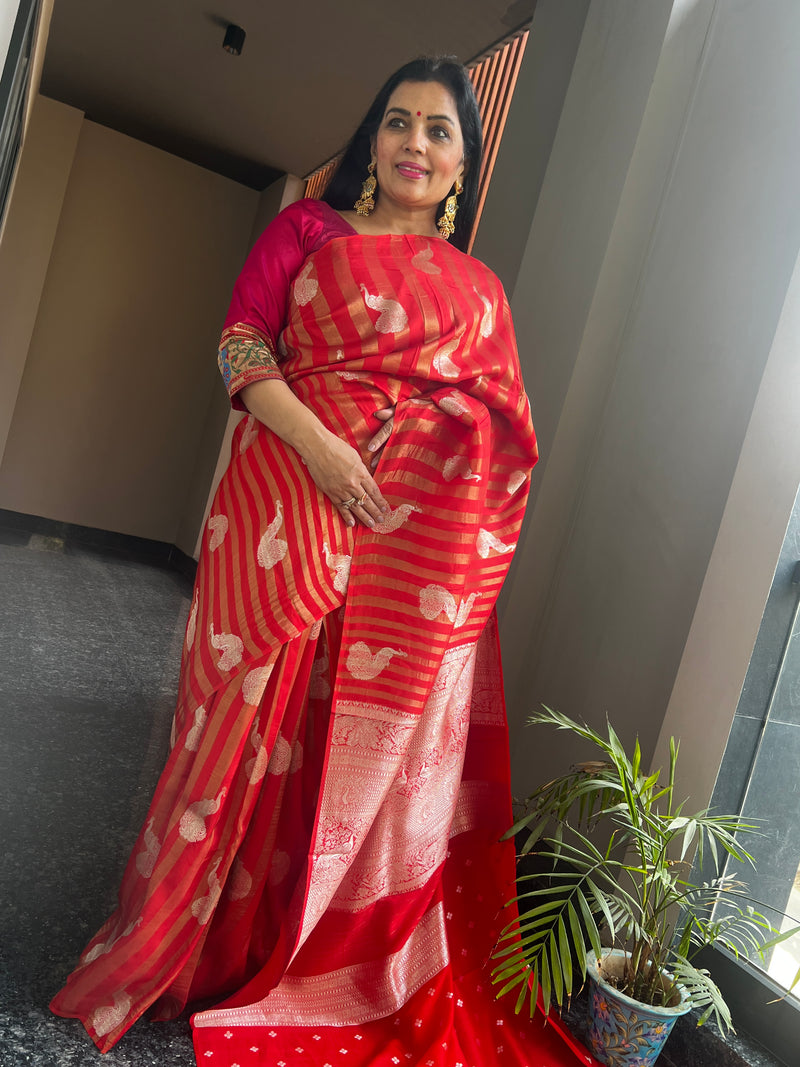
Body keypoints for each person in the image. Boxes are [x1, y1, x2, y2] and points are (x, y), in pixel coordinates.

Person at [51, 56, 543, 1067]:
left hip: (402, 540)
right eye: (398, 123)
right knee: (234, 722)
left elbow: (501, 434)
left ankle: (294, 952)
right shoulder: (305, 232)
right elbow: (240, 345)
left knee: (329, 741)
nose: (414, 143)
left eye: (438, 131)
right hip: (280, 493)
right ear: (371, 140)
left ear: (462, 163)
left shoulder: (478, 293)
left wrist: (413, 435)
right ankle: (181, 947)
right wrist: (319, 443)